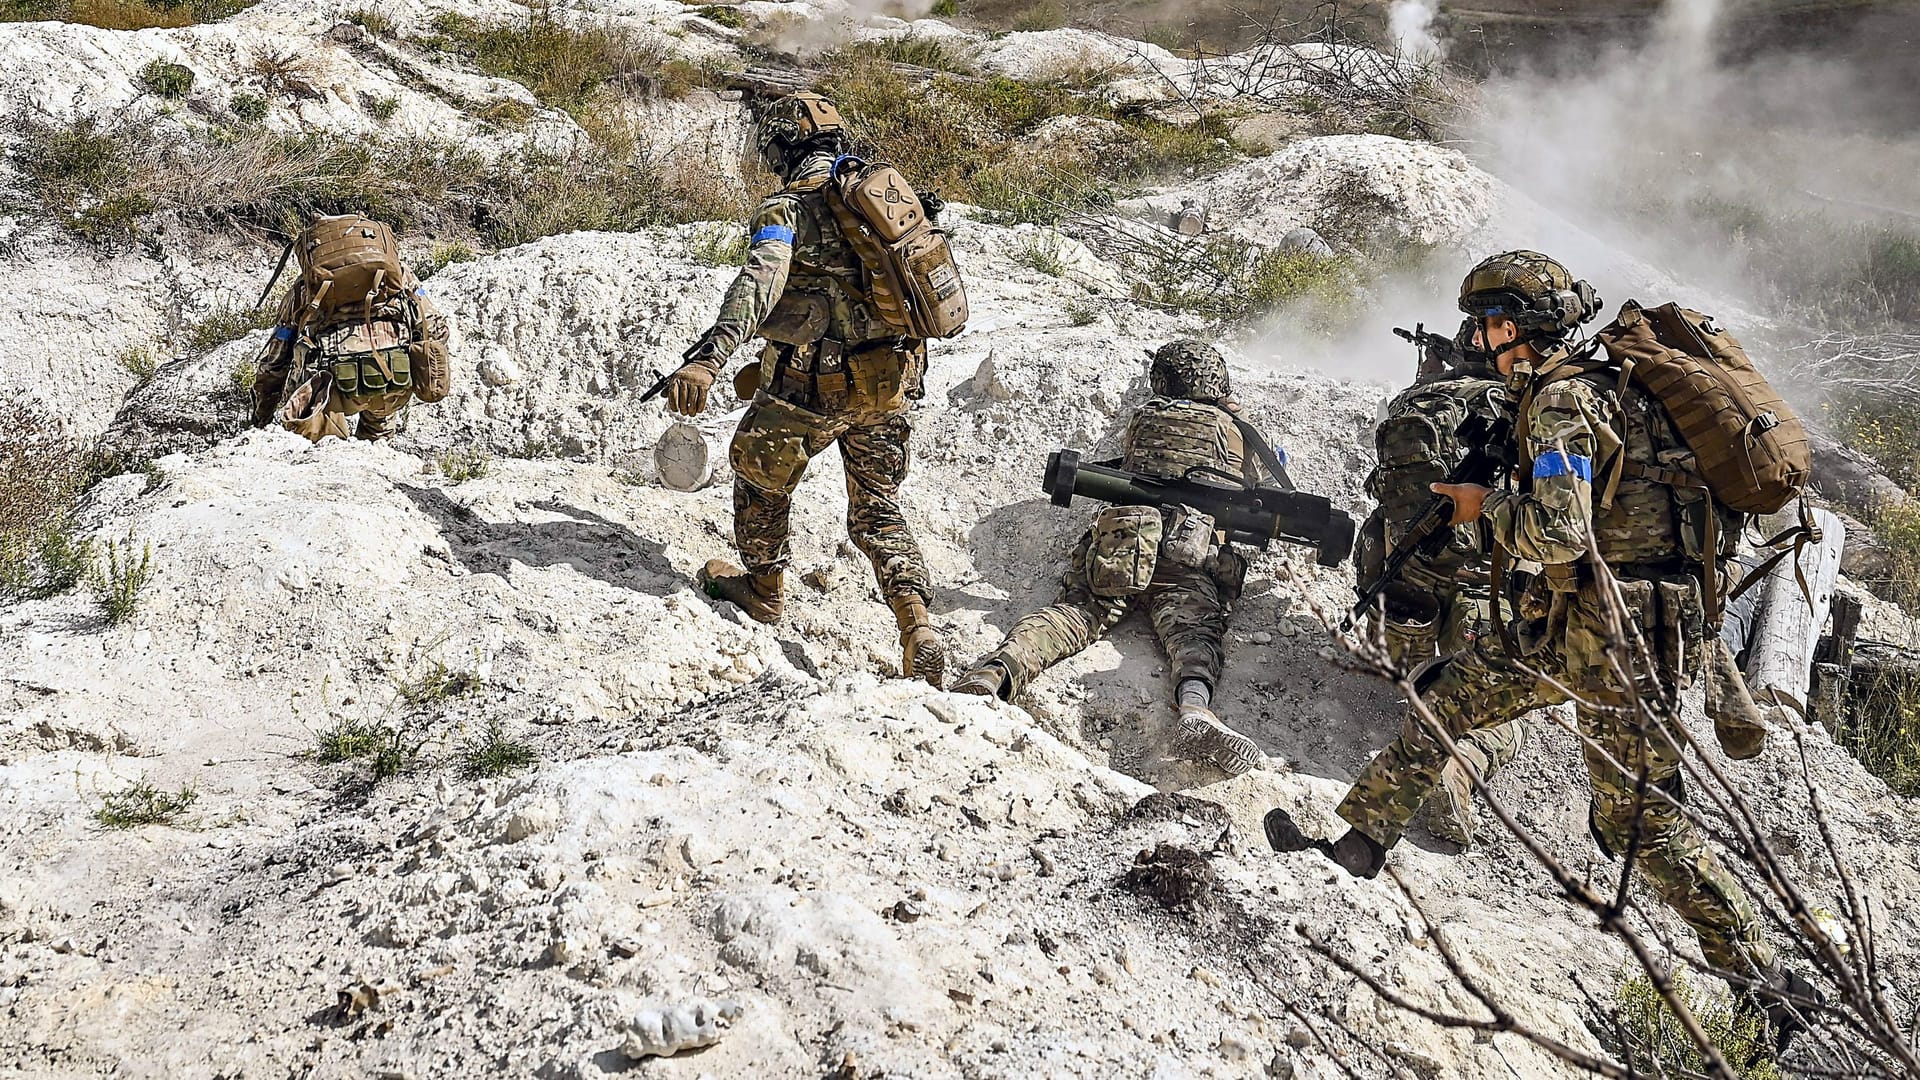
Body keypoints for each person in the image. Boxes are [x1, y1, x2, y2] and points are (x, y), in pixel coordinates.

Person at [1266, 251, 1817, 1047]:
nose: (1483, 339)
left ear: (1521, 328)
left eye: (1492, 323)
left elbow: (1559, 530)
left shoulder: (1563, 403)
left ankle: (1770, 989)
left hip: (1621, 640)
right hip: (1588, 624)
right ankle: (1358, 846)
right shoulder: (1596, 388)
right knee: (1448, 698)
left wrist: (1480, 508)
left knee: (1641, 833)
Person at [661, 92, 947, 685]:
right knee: (879, 513)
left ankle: (764, 589)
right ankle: (915, 621)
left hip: (809, 391)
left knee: (758, 480)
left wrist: (710, 359)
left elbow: (761, 281)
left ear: (780, 149)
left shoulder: (785, 209)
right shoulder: (883, 201)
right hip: (888, 385)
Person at [950, 340, 1268, 777]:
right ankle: (1195, 708)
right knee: (1195, 634)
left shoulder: (1145, 418)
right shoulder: (1233, 429)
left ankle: (996, 672)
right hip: (1187, 554)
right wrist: (1241, 417)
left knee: (1073, 615)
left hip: (1122, 543)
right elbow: (1260, 486)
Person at [1356, 320, 1536, 846]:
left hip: (1405, 584)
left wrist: (1426, 378)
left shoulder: (1417, 399)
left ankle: (1415, 683)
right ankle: (1459, 767)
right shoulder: (1522, 402)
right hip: (1484, 584)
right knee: (1500, 698)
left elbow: (1382, 486)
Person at [251, 214, 450, 441]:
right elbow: (436, 329)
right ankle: (374, 454)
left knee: (321, 451)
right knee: (379, 430)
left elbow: (276, 360)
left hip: (329, 393)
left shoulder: (305, 289)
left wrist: (261, 418)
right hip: (391, 380)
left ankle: (326, 448)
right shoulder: (401, 276)